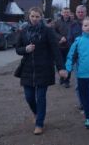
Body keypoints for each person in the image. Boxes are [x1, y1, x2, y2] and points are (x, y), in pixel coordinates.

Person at [15, 7, 65, 135]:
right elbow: (17, 49)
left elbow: (55, 50)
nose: (35, 19)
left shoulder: (47, 31)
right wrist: (25, 49)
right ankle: (36, 113)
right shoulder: (24, 31)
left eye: (37, 16)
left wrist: (60, 68)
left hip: (44, 69)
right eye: (33, 16)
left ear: (41, 17)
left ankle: (39, 123)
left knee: (41, 97)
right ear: (29, 16)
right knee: (29, 97)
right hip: (27, 69)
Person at [68, 5, 87, 109]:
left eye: (82, 12)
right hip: (78, 59)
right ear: (76, 13)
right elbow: (69, 40)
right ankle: (82, 103)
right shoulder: (72, 26)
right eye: (78, 12)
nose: (80, 13)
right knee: (78, 83)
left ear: (85, 12)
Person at [54, 7, 73, 88]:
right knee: (60, 63)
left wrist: (68, 39)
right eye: (64, 12)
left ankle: (67, 80)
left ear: (69, 13)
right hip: (60, 46)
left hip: (69, 46)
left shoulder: (73, 23)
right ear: (62, 13)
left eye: (67, 12)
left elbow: (74, 33)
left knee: (68, 63)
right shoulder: (57, 22)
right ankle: (62, 76)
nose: (66, 13)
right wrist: (60, 37)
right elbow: (53, 32)